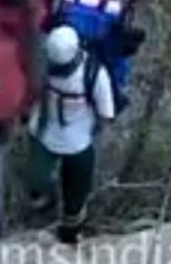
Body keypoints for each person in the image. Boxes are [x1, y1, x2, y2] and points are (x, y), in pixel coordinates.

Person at [26, 25, 116, 244]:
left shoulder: (94, 74)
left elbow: (106, 113)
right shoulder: (41, 61)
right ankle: (45, 215)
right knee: (37, 184)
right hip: (44, 132)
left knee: (75, 197)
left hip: (77, 141)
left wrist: (94, 131)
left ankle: (69, 234)